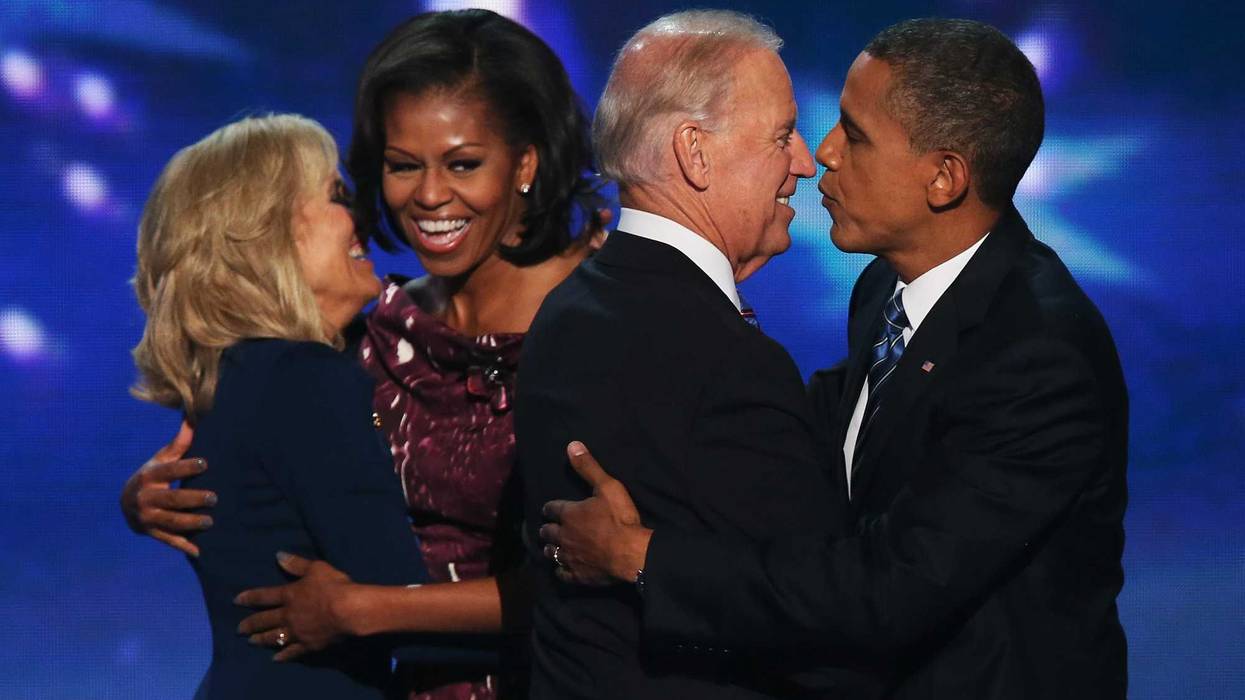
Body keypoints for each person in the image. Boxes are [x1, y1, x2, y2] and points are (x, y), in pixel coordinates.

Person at [539, 17, 1128, 700]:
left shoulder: (1038, 357)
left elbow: (889, 589)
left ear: (943, 178)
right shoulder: (885, 287)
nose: (821, 153)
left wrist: (639, 558)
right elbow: (840, 426)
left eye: (854, 134)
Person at [120, 10, 603, 700]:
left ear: (524, 162)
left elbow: (615, 581)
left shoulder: (606, 324)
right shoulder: (368, 339)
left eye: (463, 163)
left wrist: (364, 611)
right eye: (402, 166)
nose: (429, 196)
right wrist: (148, 497)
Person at [515, 10, 873, 699]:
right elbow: (816, 622)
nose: (803, 161)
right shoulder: (716, 354)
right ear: (694, 151)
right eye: (780, 134)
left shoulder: (570, 308)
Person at [130, 113, 429, 699]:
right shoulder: (305, 380)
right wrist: (549, 603)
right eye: (337, 197)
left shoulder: (239, 377)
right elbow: (407, 612)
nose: (362, 216)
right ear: (265, 236)